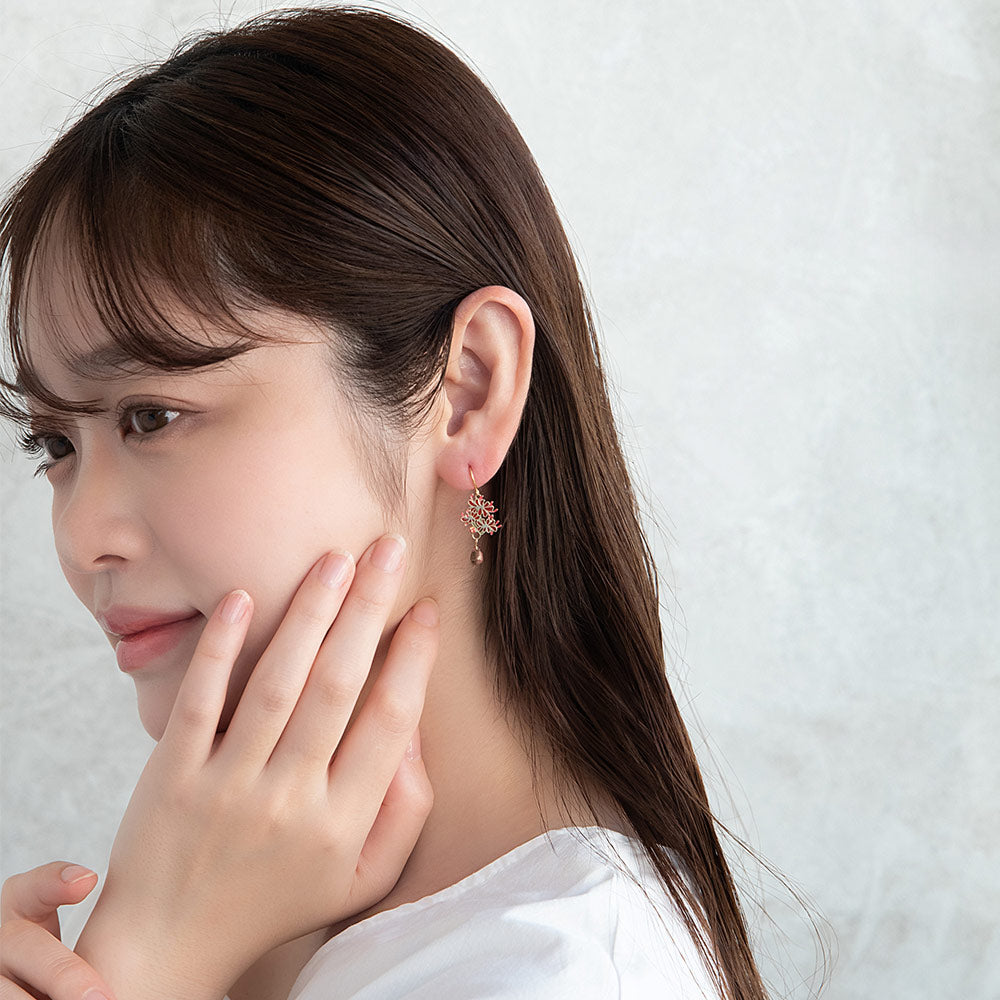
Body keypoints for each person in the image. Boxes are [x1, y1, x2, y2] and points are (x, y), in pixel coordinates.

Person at [0, 6, 773, 999]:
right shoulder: (263, 904)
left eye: (152, 416)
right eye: (55, 444)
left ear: (468, 391)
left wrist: (150, 961)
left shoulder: (556, 972)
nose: (81, 536)